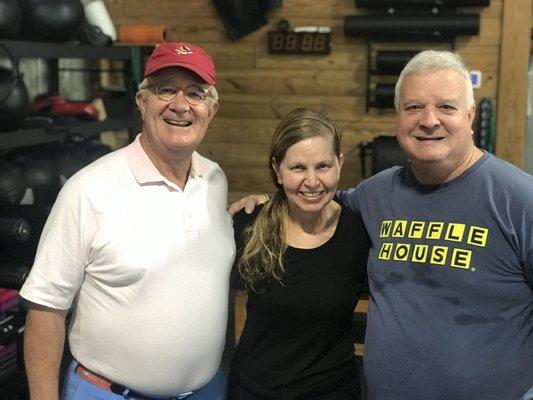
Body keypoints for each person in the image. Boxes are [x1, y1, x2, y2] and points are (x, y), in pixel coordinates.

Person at [230, 50, 533, 400]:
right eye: (414, 107)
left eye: (446, 107)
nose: (429, 120)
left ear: (470, 114)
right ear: (398, 117)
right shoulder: (376, 193)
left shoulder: (520, 199)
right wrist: (263, 203)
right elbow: (313, 196)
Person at [19, 42, 235, 400]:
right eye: (166, 88)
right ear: (142, 102)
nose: (180, 105)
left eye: (196, 93)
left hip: (206, 391)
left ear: (211, 109)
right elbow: (46, 308)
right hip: (110, 394)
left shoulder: (214, 180)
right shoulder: (88, 190)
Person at [228, 107, 369, 399]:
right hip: (253, 390)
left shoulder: (359, 234)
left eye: (323, 166)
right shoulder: (249, 224)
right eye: (298, 168)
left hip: (331, 391)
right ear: (277, 170)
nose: (312, 181)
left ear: (340, 164)